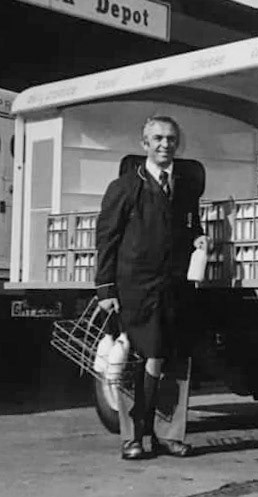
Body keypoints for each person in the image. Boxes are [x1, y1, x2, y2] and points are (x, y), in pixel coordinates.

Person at [95, 115, 208, 460]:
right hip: (136, 288)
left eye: (171, 139)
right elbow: (107, 239)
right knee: (138, 360)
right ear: (144, 144)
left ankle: (169, 436)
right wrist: (105, 289)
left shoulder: (185, 188)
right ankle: (134, 438)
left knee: (174, 359)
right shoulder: (125, 188)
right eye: (157, 138)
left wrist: (199, 238)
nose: (165, 144)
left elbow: (191, 225)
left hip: (174, 288)